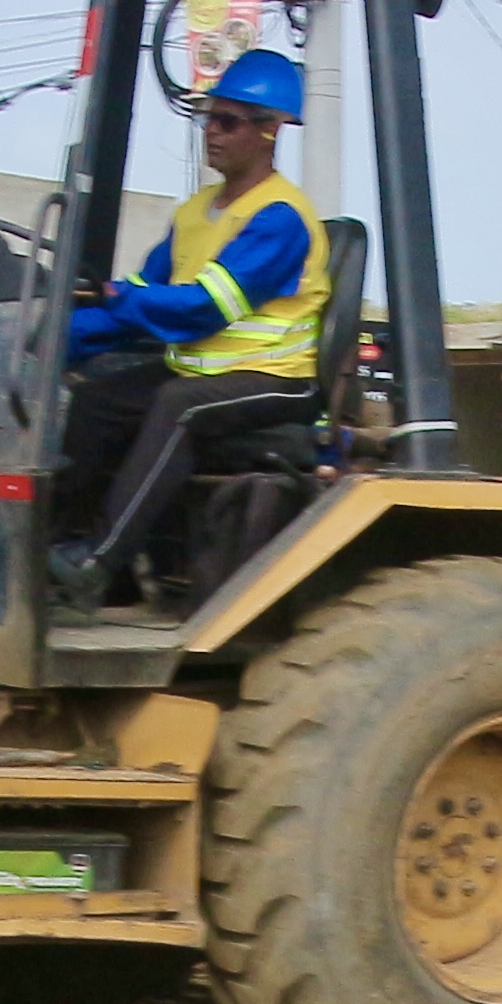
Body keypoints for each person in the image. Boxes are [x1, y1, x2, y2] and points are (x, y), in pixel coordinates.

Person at [46, 47, 321, 604]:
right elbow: (137, 303)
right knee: (98, 399)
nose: (210, 133)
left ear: (269, 130)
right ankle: (55, 545)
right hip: (200, 370)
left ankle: (99, 560)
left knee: (178, 406)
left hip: (275, 379)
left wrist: (123, 298)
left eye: (226, 122)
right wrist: (52, 340)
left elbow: (201, 309)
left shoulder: (280, 218)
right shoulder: (195, 213)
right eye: (207, 119)